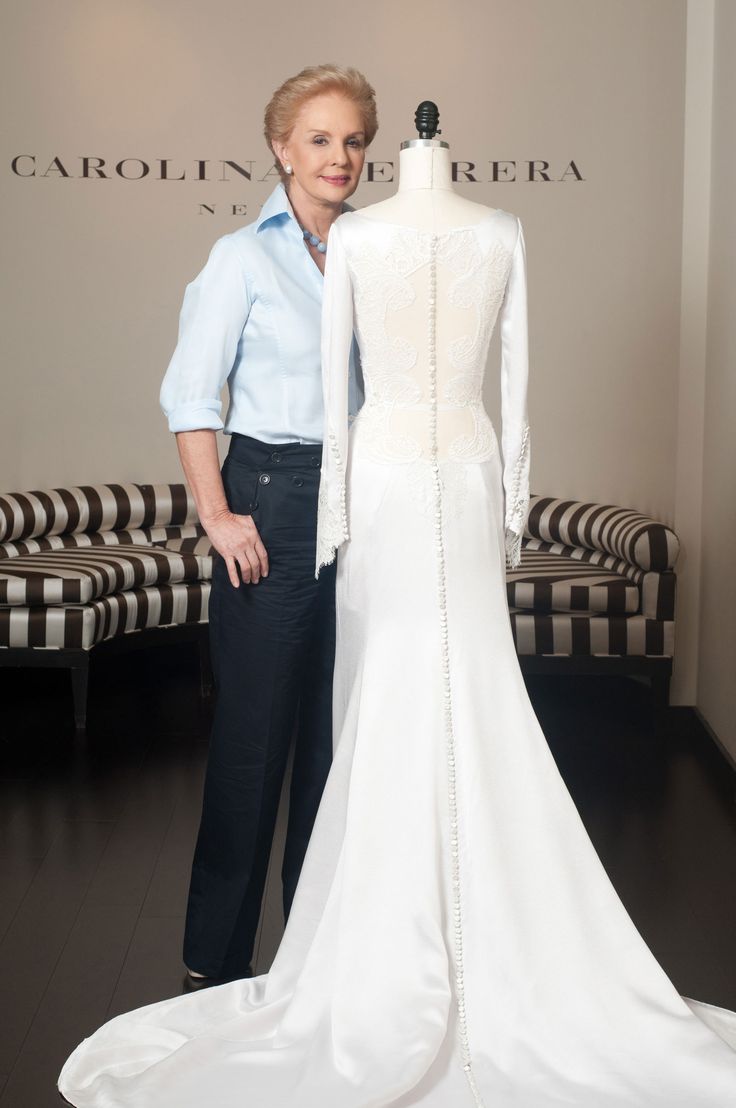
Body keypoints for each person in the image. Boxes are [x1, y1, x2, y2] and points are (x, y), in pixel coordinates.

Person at [60, 133, 736, 1108]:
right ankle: (392, 928)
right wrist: (434, 506)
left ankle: (420, 934)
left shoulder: (454, 230)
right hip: (435, 469)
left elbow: (479, 378)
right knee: (390, 693)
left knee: (457, 681)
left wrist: (452, 506)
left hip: (416, 471)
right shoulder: (415, 233)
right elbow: (415, 389)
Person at [157, 64, 374, 983]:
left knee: (338, 739)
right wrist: (218, 513)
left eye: (355, 140)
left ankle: (312, 960)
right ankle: (213, 966)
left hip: (363, 504)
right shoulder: (240, 260)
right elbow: (190, 396)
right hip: (274, 496)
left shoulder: (376, 255)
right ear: (282, 149)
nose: (340, 157)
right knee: (255, 742)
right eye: (319, 139)